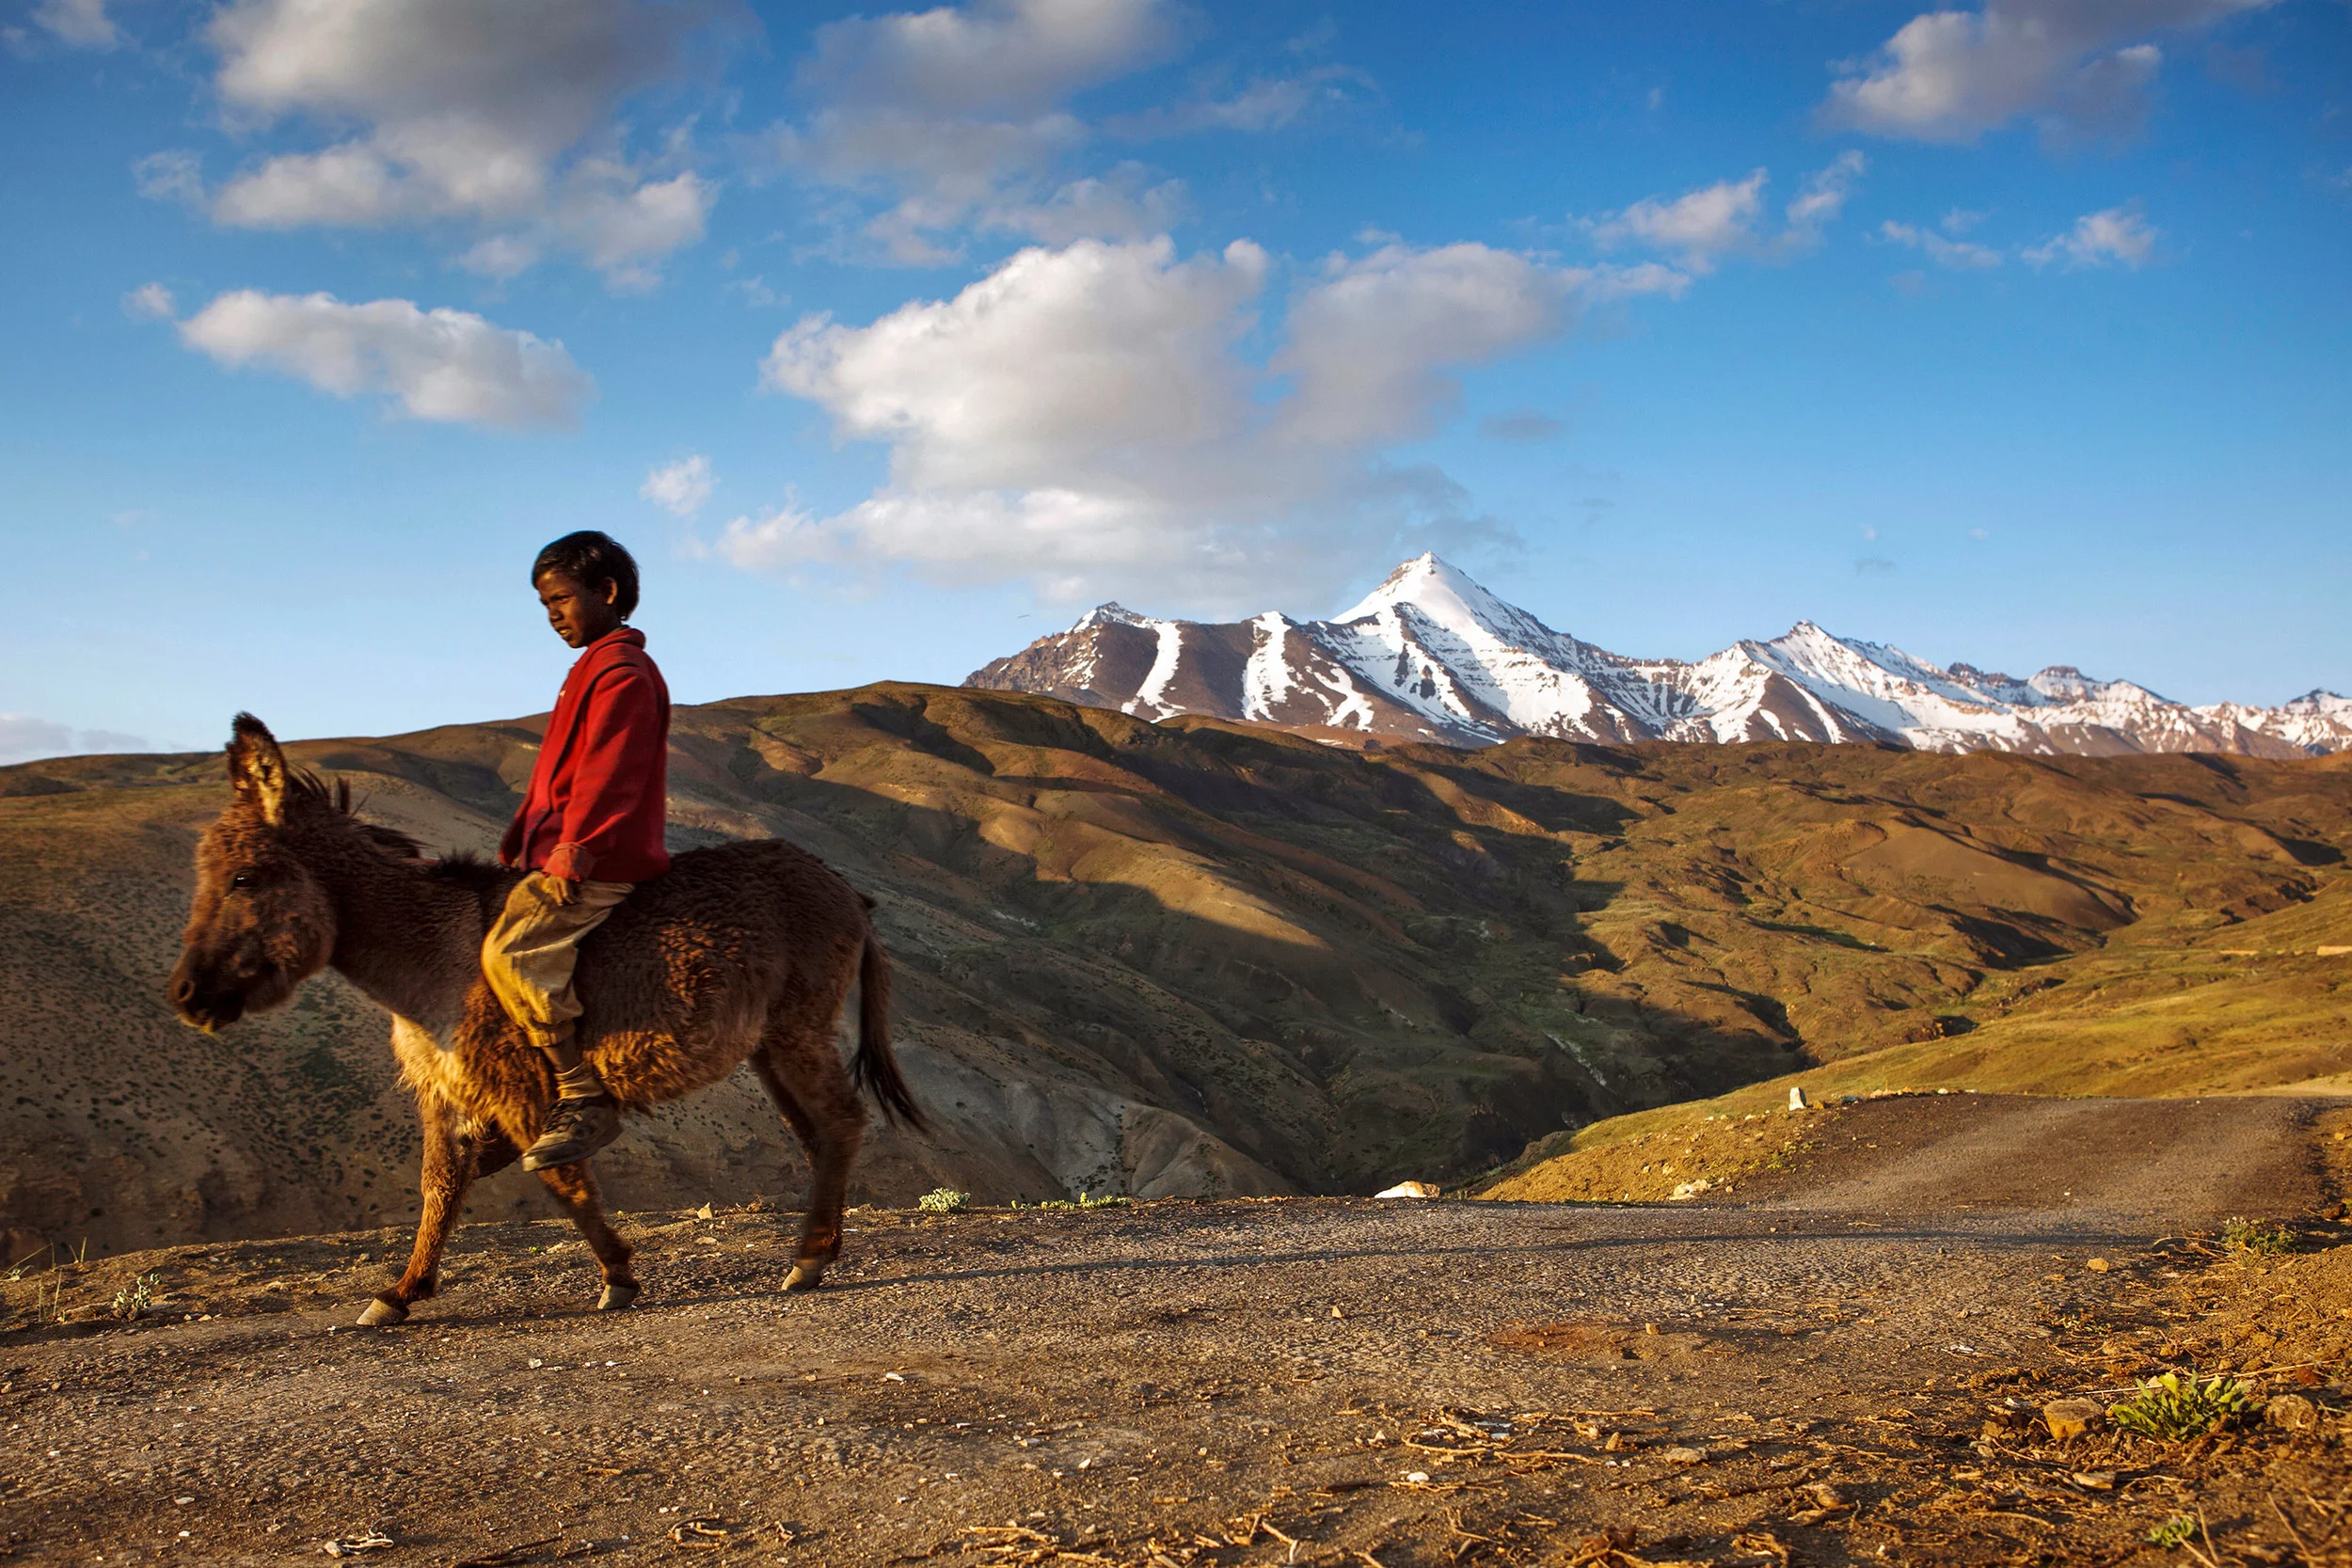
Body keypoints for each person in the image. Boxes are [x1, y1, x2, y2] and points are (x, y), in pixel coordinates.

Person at [484, 531, 672, 1170]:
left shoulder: (621, 673)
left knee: (511, 953)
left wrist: (574, 851)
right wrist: (524, 838)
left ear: (607, 592)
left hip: (600, 862)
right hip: (562, 851)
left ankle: (580, 1092)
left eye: (561, 598)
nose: (553, 614)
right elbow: (556, 778)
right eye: (545, 604)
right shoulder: (590, 670)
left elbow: (608, 774)